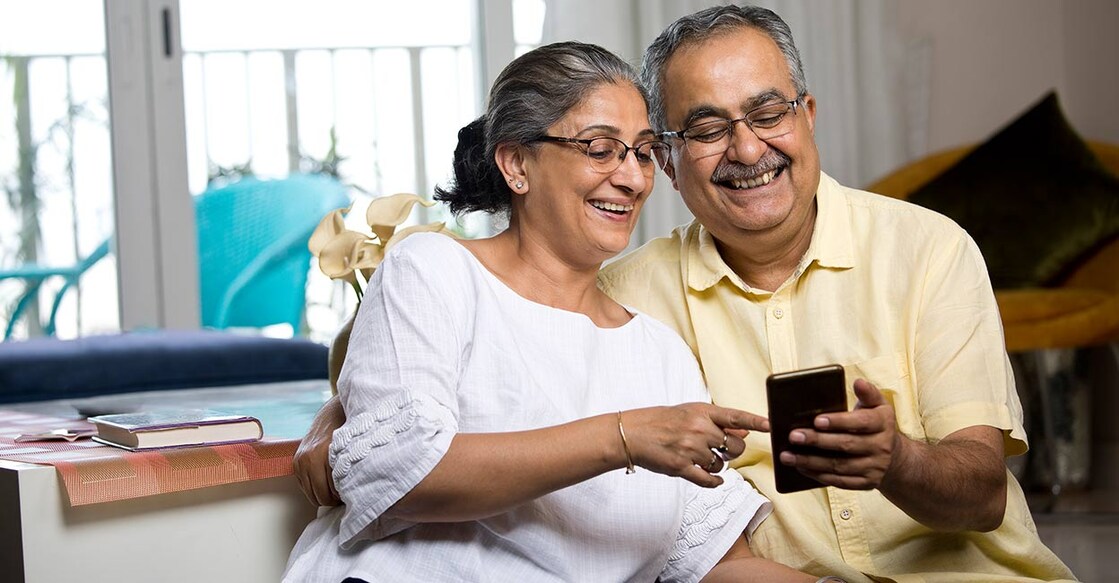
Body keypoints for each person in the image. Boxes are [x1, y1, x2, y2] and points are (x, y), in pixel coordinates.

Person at [296, 6, 1076, 582]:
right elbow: (414, 425)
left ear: (806, 116)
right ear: (676, 165)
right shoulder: (600, 292)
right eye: (703, 130)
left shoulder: (923, 251)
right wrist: (337, 426)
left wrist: (897, 457)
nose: (745, 148)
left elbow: (712, 553)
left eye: (766, 111)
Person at [284, 40, 815, 583]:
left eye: (641, 151)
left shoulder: (660, 352)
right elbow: (400, 471)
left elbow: (717, 562)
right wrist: (622, 437)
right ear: (517, 163)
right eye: (600, 148)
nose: (632, 178)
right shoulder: (435, 270)